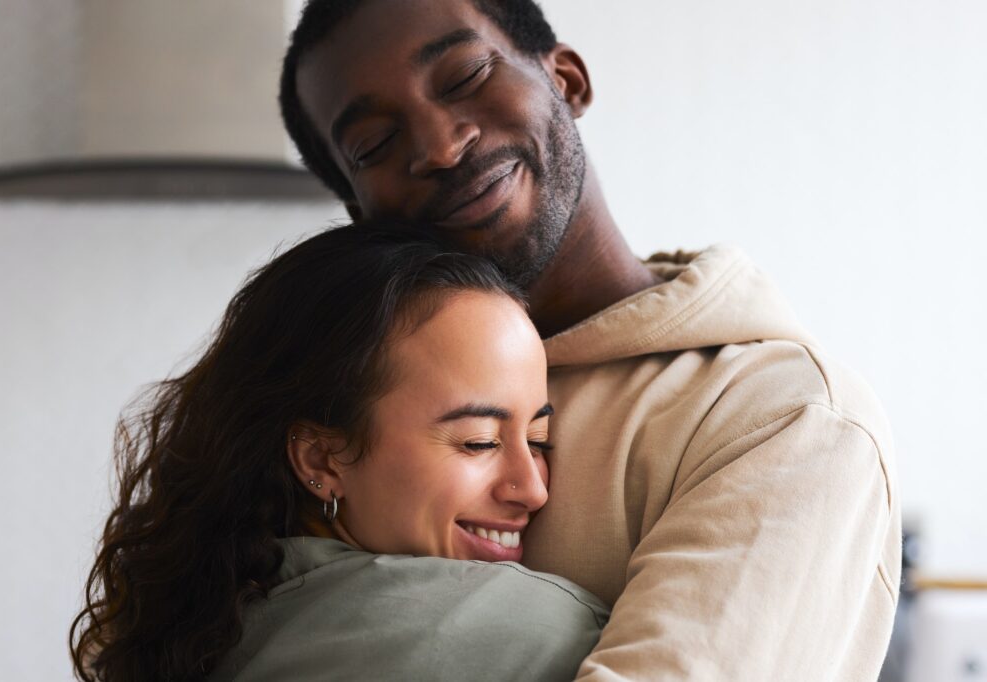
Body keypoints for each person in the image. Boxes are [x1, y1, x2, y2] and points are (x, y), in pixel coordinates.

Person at [278, 0, 902, 679]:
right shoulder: (332, 397)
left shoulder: (781, 414)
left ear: (567, 80)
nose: (439, 146)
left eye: (465, 76)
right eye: (373, 144)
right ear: (357, 208)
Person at [70, 225, 609, 682]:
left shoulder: (198, 623)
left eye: (537, 441)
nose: (533, 487)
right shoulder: (532, 630)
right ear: (322, 460)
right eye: (480, 442)